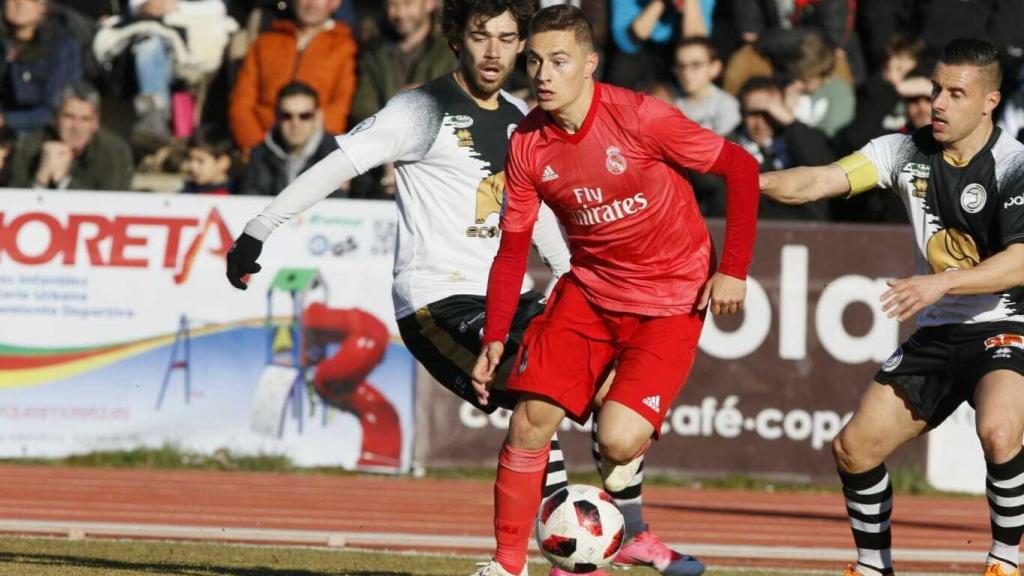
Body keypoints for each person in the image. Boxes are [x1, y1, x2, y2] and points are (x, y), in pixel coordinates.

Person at [225, 2, 704, 575]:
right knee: (537, 397)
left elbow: (541, 213)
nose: (495, 52)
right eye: (481, 37)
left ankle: (620, 535)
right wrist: (258, 231)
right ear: (457, 39)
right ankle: (534, 560)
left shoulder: (522, 116)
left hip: (512, 296)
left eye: (508, 39)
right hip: (440, 302)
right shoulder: (418, 109)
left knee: (606, 396)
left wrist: (571, 273)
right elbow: (338, 165)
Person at [468, 5, 759, 576]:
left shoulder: (642, 118)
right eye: (533, 62)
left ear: (589, 64)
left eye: (558, 61)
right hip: (591, 294)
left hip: (671, 302)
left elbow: (742, 168)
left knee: (621, 440)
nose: (543, 75)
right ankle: (506, 566)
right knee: (528, 421)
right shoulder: (527, 144)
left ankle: (628, 532)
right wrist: (496, 336)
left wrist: (735, 269)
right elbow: (512, 249)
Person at [759, 38, 1024, 576]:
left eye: (956, 93)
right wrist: (743, 180)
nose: (939, 104)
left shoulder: (1013, 164)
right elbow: (817, 181)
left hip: (1006, 323)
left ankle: (1005, 560)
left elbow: (1022, 261)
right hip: (938, 332)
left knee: (998, 431)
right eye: (935, 90)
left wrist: (943, 285)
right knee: (854, 449)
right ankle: (873, 566)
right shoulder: (903, 151)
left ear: (989, 101)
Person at [229, 0, 357, 150]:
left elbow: (342, 105)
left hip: (318, 152)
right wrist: (256, 147)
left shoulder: (346, 47)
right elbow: (242, 101)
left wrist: (316, 148)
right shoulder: (265, 42)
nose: (311, 4)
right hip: (263, 149)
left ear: (334, 3)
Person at [9, 81, 133, 191]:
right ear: (54, 119)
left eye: (85, 119)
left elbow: (113, 208)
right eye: (69, 117)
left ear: (95, 123)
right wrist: (39, 181)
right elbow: (10, 206)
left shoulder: (115, 152)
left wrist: (64, 182)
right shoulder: (29, 146)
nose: (76, 127)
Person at [240, 81, 338, 197]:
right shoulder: (259, 156)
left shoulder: (339, 155)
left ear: (318, 117)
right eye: (287, 116)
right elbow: (250, 201)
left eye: (304, 116)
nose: (295, 123)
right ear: (277, 117)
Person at [0, 0, 82, 135]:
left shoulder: (62, 47)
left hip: (42, 131)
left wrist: (6, 120)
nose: (20, 3)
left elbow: (54, 108)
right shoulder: (4, 43)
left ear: (43, 7)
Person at [673, 36, 739, 136]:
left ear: (715, 67)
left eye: (696, 65)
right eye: (681, 66)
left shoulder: (726, 105)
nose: (686, 73)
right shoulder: (670, 104)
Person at [182, 125, 236, 195]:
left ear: (223, 162)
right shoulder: (187, 193)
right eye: (190, 159)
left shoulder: (238, 193)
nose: (192, 166)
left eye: (200, 161)